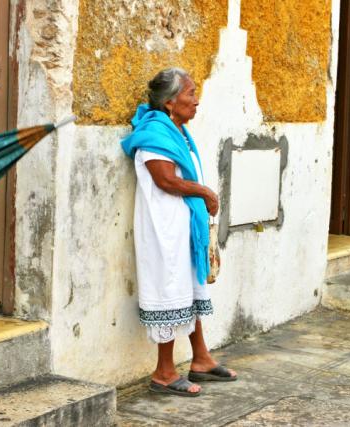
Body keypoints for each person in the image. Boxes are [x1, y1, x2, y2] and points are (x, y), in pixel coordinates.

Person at [121, 68, 237, 397]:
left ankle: (200, 358)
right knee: (171, 291)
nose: (196, 101)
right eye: (190, 94)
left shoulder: (176, 131)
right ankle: (164, 372)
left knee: (190, 289)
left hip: (181, 224)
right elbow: (166, 180)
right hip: (163, 229)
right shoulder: (155, 133)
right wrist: (205, 192)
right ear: (171, 102)